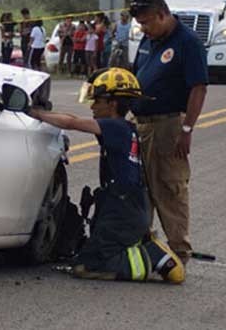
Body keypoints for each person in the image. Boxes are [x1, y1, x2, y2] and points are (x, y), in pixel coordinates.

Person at [29, 68, 185, 283]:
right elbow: (75, 119)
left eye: (97, 101)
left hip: (123, 211)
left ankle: (153, 255)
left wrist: (35, 113)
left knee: (87, 267)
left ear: (112, 104)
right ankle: (137, 243)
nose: (92, 106)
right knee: (83, 259)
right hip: (125, 206)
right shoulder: (124, 127)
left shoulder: (116, 127)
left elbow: (73, 122)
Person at [130, 0, 208, 264]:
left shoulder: (187, 42)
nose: (143, 29)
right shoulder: (149, 39)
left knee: (169, 188)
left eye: (147, 23)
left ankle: (179, 252)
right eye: (140, 24)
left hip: (168, 125)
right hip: (141, 124)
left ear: (162, 15)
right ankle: (146, 249)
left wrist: (186, 130)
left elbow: (198, 88)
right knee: (140, 189)